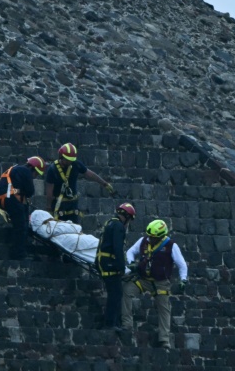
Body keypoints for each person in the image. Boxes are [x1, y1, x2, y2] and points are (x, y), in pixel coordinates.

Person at [121, 219, 189, 349]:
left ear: (160, 236)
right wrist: (131, 263)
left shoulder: (171, 246)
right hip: (143, 279)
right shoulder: (143, 241)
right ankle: (127, 325)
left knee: (164, 308)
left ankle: (164, 339)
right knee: (127, 291)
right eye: (149, 236)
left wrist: (183, 280)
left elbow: (182, 264)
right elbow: (130, 252)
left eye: (152, 237)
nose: (149, 239)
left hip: (161, 282)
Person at [0, 156, 47, 260]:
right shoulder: (25, 171)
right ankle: (19, 254)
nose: (35, 177)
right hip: (8, 197)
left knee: (20, 220)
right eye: (36, 174)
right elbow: (30, 191)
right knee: (21, 226)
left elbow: (18, 190)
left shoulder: (16, 169)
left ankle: (18, 249)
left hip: (2, 197)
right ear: (33, 168)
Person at [45, 143, 115, 223]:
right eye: (68, 160)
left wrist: (104, 184)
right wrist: (49, 207)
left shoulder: (75, 164)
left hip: (72, 204)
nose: (70, 162)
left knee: (74, 230)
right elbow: (49, 193)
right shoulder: (53, 170)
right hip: (59, 205)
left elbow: (90, 174)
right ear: (61, 156)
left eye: (71, 160)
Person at [97, 203, 136, 330]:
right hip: (111, 263)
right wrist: (122, 267)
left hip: (103, 261)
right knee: (116, 293)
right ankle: (110, 323)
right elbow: (118, 249)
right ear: (126, 216)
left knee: (113, 292)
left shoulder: (109, 223)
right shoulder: (119, 227)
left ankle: (112, 322)